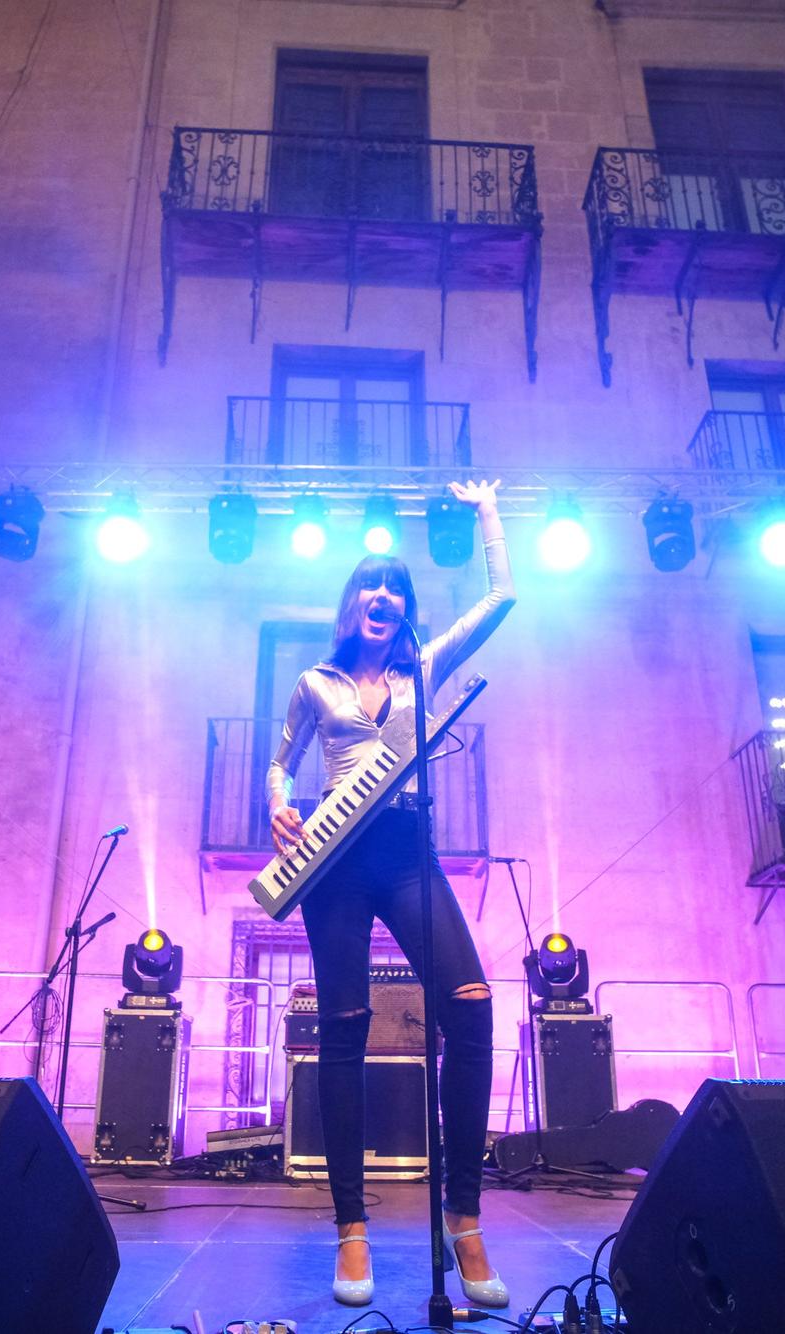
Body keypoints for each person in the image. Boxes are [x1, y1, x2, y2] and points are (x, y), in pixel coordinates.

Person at [267, 479, 514, 1309]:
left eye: (396, 589)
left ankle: (465, 1219)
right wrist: (276, 803)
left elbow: (504, 597)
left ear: (405, 609)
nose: (383, 596)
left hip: (407, 844)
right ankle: (351, 1229)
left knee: (472, 1006)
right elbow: (280, 759)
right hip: (332, 861)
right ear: (351, 603)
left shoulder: (425, 664)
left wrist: (488, 513)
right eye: (370, 586)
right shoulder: (314, 682)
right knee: (344, 1034)